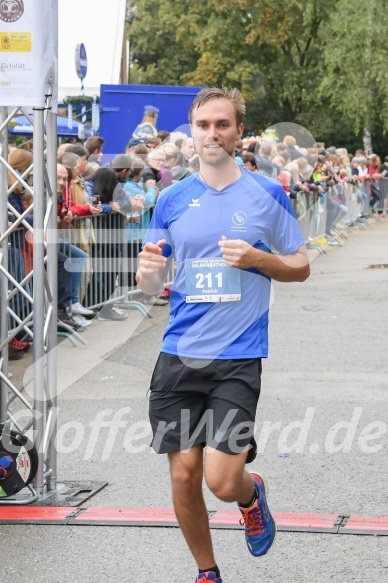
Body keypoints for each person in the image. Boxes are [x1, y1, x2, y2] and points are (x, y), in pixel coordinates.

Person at [136, 87, 310, 583]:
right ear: (192, 131)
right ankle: (207, 572)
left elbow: (300, 266)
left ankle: (251, 495)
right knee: (184, 475)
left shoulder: (266, 193)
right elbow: (152, 281)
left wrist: (258, 260)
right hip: (179, 354)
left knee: (220, 478)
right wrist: (146, 272)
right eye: (203, 125)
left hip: (237, 357)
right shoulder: (171, 198)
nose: (212, 133)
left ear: (238, 132)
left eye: (222, 124)